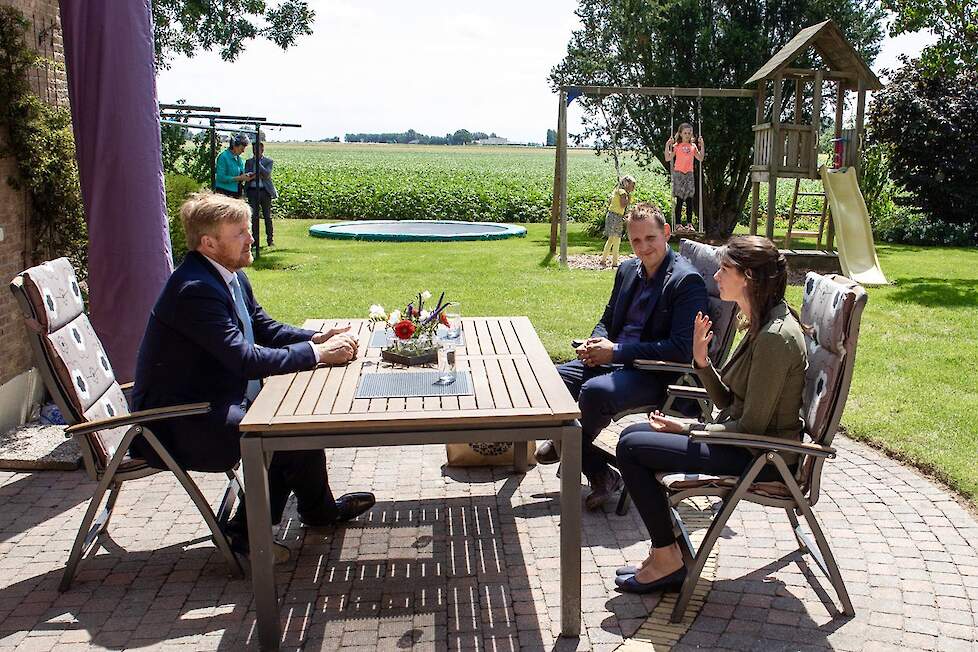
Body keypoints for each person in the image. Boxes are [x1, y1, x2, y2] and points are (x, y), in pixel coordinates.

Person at [131, 192, 375, 562]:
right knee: (273, 431)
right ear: (208, 243)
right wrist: (318, 355)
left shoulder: (228, 277)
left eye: (249, 230)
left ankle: (319, 511)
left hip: (213, 401)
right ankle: (246, 536)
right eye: (240, 233)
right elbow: (244, 359)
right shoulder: (194, 290)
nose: (251, 239)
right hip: (178, 422)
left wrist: (313, 337)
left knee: (295, 422)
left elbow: (261, 327)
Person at [613, 235, 808, 594]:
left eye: (724, 269)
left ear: (747, 276)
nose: (716, 277)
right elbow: (731, 402)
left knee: (632, 447)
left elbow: (750, 427)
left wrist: (689, 428)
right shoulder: (761, 323)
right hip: (746, 445)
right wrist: (702, 362)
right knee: (630, 437)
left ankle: (666, 558)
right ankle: (667, 551)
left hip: (763, 458)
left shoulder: (775, 338)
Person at [535, 203, 708, 510]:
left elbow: (680, 349)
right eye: (636, 240)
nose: (643, 248)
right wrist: (594, 341)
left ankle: (574, 453)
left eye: (650, 238)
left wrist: (615, 351)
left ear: (666, 233)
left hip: (657, 374)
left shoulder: (686, 281)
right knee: (547, 380)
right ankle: (598, 468)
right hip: (615, 359)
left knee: (594, 392)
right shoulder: (627, 270)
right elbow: (609, 318)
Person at [664, 123, 704, 234]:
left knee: (690, 200)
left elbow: (700, 158)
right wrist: (667, 145)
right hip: (679, 174)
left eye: (689, 133)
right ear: (680, 134)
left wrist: (702, 145)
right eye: (685, 133)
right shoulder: (677, 146)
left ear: (691, 134)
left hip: (689, 174)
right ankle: (678, 224)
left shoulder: (693, 147)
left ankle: (689, 224)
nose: (687, 135)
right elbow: (668, 158)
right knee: (680, 199)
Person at [245, 142, 278, 247]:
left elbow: (267, 174)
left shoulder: (268, 161)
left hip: (265, 191)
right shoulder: (249, 162)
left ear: (262, 150)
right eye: (254, 149)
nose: (255, 151)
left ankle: (270, 239)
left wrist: (258, 164)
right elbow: (248, 175)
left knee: (267, 216)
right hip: (252, 191)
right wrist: (258, 174)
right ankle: (255, 241)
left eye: (258, 149)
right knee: (254, 217)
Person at [600, 175, 636, 268]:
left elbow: (611, 203)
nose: (634, 187)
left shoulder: (617, 191)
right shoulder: (623, 193)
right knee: (617, 239)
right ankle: (615, 262)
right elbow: (623, 204)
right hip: (616, 216)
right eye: (632, 185)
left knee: (611, 239)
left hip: (612, 215)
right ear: (626, 184)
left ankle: (603, 260)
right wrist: (629, 198)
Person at [214, 133, 254, 198]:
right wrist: (239, 178)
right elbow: (220, 178)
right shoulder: (223, 157)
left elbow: (240, 173)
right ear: (235, 146)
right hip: (224, 192)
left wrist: (247, 175)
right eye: (242, 148)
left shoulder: (239, 159)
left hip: (236, 191)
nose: (243, 151)